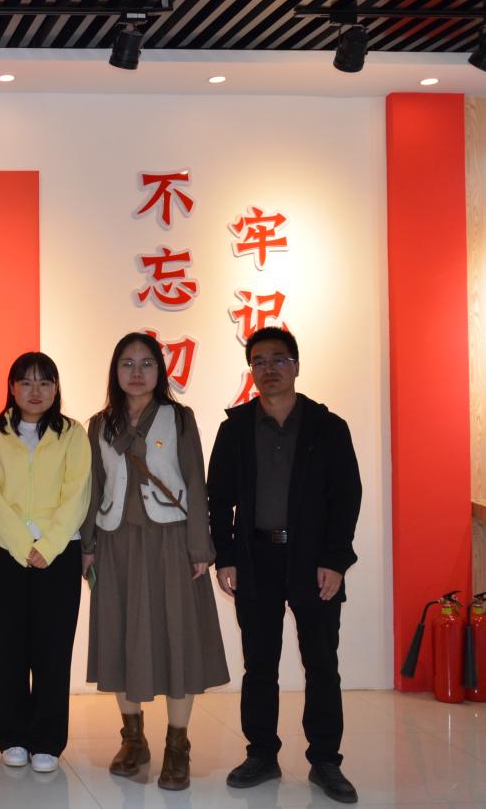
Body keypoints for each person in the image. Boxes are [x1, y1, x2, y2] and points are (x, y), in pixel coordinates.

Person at [207, 327, 361, 805]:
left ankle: (326, 760)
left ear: (296, 366)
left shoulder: (327, 426)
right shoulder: (235, 428)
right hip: (255, 559)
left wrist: (335, 560)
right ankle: (261, 754)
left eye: (278, 359)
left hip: (313, 562)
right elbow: (218, 500)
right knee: (259, 664)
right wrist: (226, 556)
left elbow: (346, 497)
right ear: (250, 371)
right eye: (258, 361)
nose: (268, 369)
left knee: (322, 663)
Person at [81, 331, 228, 791]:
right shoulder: (98, 424)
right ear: (115, 371)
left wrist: (200, 547)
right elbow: (93, 487)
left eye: (146, 363)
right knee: (120, 635)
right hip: (115, 543)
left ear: (160, 370)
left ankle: (177, 745)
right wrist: (87, 546)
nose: (137, 372)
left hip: (170, 542)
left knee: (176, 637)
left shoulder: (179, 418)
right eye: (127, 363)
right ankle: (133, 740)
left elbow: (196, 482)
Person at [0, 352, 91, 774]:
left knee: (53, 648)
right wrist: (24, 545)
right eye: (25, 382)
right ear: (12, 387)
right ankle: (11, 735)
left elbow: (78, 492)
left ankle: (47, 739)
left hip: (59, 555)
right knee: (7, 647)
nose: (35, 390)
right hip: (2, 553)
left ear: (56, 388)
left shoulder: (72, 434)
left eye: (45, 382)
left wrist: (51, 543)